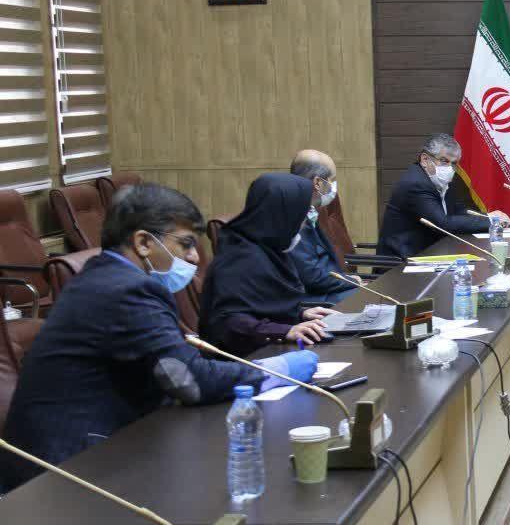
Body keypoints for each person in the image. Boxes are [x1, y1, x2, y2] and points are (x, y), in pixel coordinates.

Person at [0, 183, 317, 492]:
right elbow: (190, 380)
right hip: (64, 472)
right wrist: (278, 370)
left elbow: (172, 368)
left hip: (99, 449)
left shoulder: (107, 276)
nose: (195, 258)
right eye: (186, 244)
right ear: (143, 243)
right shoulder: (127, 290)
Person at [200, 173, 337, 357]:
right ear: (282, 215)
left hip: (270, 349)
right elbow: (229, 323)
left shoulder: (268, 247)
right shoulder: (240, 258)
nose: (304, 223)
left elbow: (264, 308)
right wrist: (284, 331)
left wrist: (300, 315)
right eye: (302, 214)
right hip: (242, 361)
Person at [377, 134, 507, 259]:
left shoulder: (439, 181)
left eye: (454, 163)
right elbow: (442, 224)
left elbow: (458, 211)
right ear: (425, 159)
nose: (449, 168)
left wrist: (488, 217)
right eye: (444, 161)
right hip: (403, 261)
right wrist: (491, 222)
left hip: (430, 253)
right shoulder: (416, 184)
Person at [288, 149, 361, 303]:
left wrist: (347, 279)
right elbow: (311, 276)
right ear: (318, 183)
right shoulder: (293, 217)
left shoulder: (308, 209)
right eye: (331, 179)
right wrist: (350, 281)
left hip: (330, 288)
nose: (333, 186)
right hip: (317, 299)